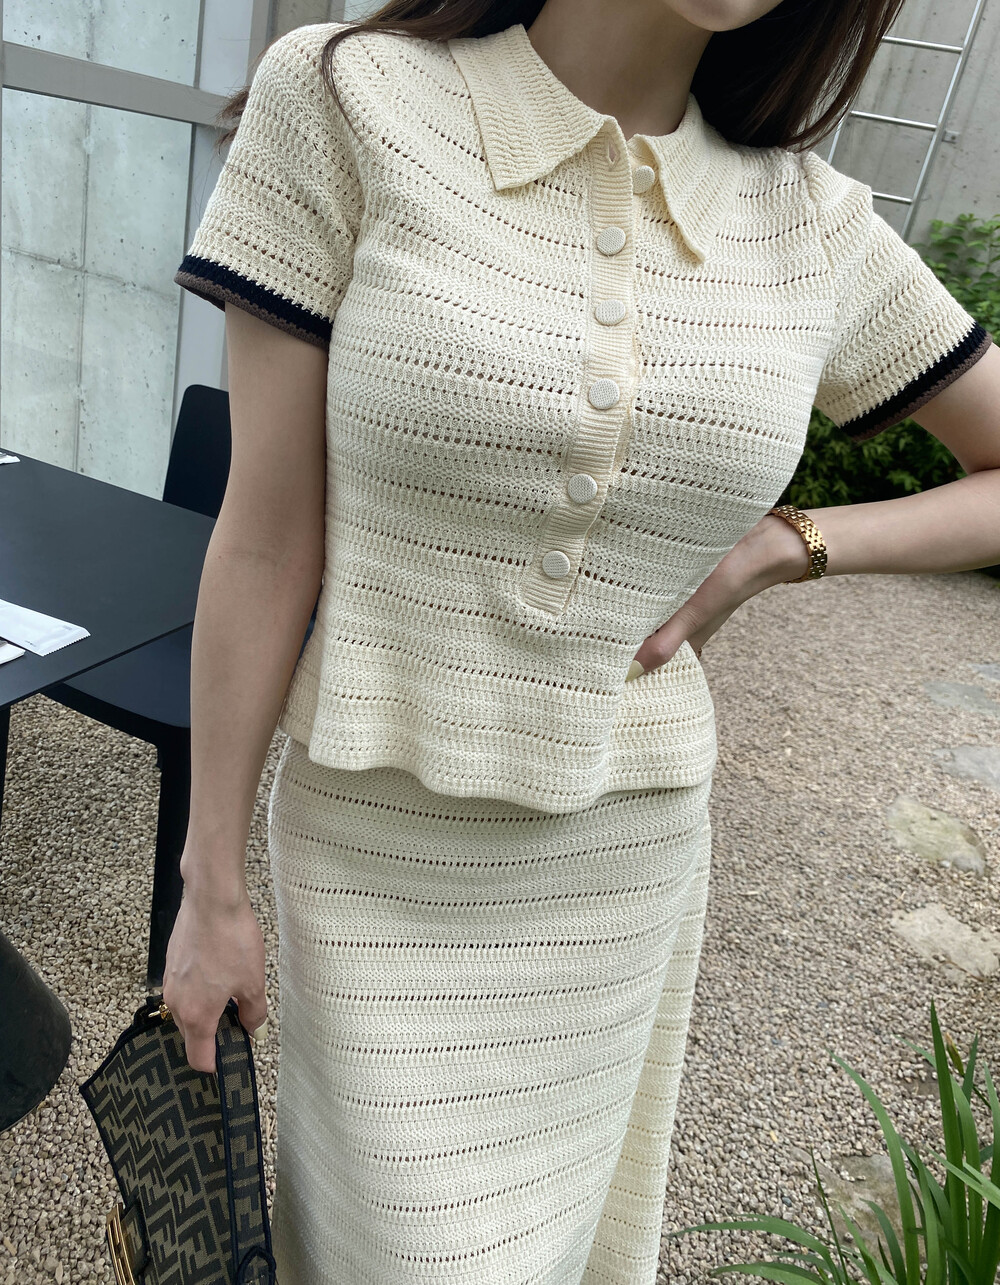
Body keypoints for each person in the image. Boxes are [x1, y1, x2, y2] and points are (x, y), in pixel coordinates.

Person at [165, 0, 1000, 1281]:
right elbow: (267, 537)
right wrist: (209, 882)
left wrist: (789, 544)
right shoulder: (347, 100)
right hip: (376, 856)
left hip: (619, 870)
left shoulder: (810, 225)